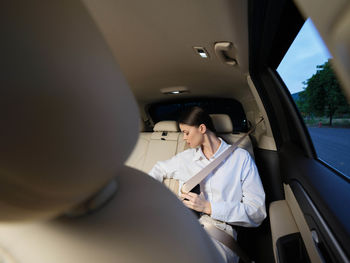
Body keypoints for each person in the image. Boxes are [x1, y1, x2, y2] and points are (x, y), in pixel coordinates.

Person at [149, 106, 266, 263]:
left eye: (186, 132)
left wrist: (209, 207)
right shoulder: (186, 157)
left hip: (219, 230)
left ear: (202, 128)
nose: (184, 138)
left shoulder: (240, 158)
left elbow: (257, 212)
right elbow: (159, 168)